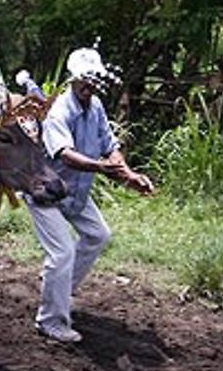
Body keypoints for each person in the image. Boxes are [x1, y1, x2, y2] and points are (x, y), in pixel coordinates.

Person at [27, 47, 154, 343]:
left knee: (98, 235)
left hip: (75, 191)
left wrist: (130, 176)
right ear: (72, 81)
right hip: (46, 191)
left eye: (93, 82)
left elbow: (110, 144)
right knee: (62, 252)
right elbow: (66, 155)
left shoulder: (95, 106)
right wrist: (102, 168)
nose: (89, 86)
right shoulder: (60, 110)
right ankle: (50, 321)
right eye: (84, 81)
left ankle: (60, 290)